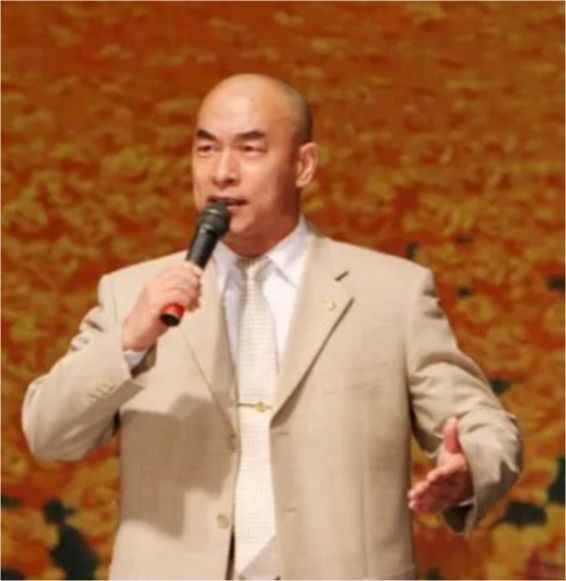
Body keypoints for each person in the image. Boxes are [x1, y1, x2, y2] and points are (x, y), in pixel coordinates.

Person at [22, 73, 522, 580]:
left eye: (250, 149)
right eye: (206, 149)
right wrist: (129, 341)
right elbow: (48, 433)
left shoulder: (391, 294)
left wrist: (469, 470)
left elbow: (482, 424)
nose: (222, 172)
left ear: (303, 165)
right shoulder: (134, 295)